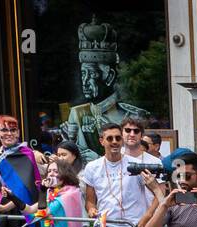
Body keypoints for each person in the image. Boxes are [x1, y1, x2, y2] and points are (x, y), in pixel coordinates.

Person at [59, 16, 149, 159]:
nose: (85, 81)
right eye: (83, 74)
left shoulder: (132, 115)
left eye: (91, 74)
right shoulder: (77, 114)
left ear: (109, 76)